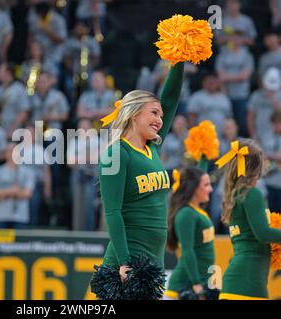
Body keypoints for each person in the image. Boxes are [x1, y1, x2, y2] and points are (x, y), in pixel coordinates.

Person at [91, 60, 185, 299]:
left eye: (161, 115)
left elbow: (171, 99)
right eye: (154, 112)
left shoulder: (151, 146)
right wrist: (124, 263)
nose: (160, 120)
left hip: (153, 260)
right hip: (128, 261)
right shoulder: (116, 153)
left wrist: (179, 58)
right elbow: (112, 211)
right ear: (134, 115)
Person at [217, 139, 281, 300]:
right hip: (248, 281)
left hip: (238, 280)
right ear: (257, 167)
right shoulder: (252, 194)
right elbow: (263, 233)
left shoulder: (236, 196)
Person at [164, 167, 216, 300]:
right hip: (185, 286)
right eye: (206, 185)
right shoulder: (186, 214)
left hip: (202, 280)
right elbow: (187, 251)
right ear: (194, 188)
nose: (210, 189)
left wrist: (204, 153)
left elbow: (198, 172)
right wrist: (197, 285)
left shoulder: (195, 210)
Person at [0, 142, 36, 229]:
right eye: (9, 151)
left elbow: (28, 193)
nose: (12, 153)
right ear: (5, 154)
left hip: (21, 216)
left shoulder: (28, 172)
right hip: (1, 215)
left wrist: (1, 194)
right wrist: (11, 191)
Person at [247, 67, 281, 145]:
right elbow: (250, 117)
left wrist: (273, 100)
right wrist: (253, 135)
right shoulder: (256, 95)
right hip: (259, 134)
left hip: (276, 136)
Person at [262, 111, 281, 213]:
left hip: (280, 182)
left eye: (279, 123)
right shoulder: (267, 136)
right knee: (268, 213)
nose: (277, 126)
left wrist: (270, 156)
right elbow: (262, 154)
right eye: (275, 123)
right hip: (268, 181)